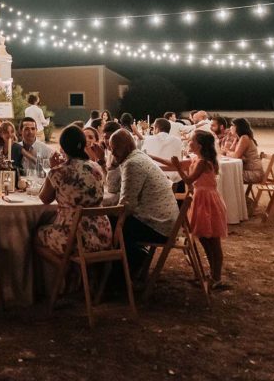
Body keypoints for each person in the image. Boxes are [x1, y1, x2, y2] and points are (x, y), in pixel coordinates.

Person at [107, 129, 179, 274]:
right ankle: (132, 261)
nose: (113, 154)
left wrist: (106, 213)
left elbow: (127, 206)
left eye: (115, 150)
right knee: (111, 222)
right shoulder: (136, 157)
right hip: (165, 222)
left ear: (127, 147)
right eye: (111, 150)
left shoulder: (133, 164)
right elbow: (113, 188)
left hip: (159, 226)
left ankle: (121, 274)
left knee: (107, 224)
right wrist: (111, 164)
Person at [35, 125, 112, 255]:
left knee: (36, 234)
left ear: (63, 147)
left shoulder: (59, 171)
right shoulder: (97, 168)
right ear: (83, 144)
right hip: (102, 234)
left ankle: (58, 273)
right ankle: (76, 272)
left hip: (76, 239)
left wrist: (52, 171)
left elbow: (44, 199)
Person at [165, 131, 228, 288]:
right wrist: (151, 158)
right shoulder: (197, 159)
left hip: (206, 200)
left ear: (199, 145)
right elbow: (173, 163)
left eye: (191, 140)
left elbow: (188, 180)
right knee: (205, 238)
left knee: (212, 240)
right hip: (203, 199)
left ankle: (217, 277)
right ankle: (213, 274)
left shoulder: (202, 163)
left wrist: (179, 168)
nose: (188, 141)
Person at [224, 117, 263, 184]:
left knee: (226, 175)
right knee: (225, 174)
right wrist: (229, 139)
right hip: (246, 170)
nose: (230, 127)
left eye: (232, 125)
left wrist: (228, 152)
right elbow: (228, 151)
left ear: (238, 127)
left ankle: (233, 194)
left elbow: (235, 155)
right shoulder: (239, 138)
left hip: (253, 173)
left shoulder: (244, 138)